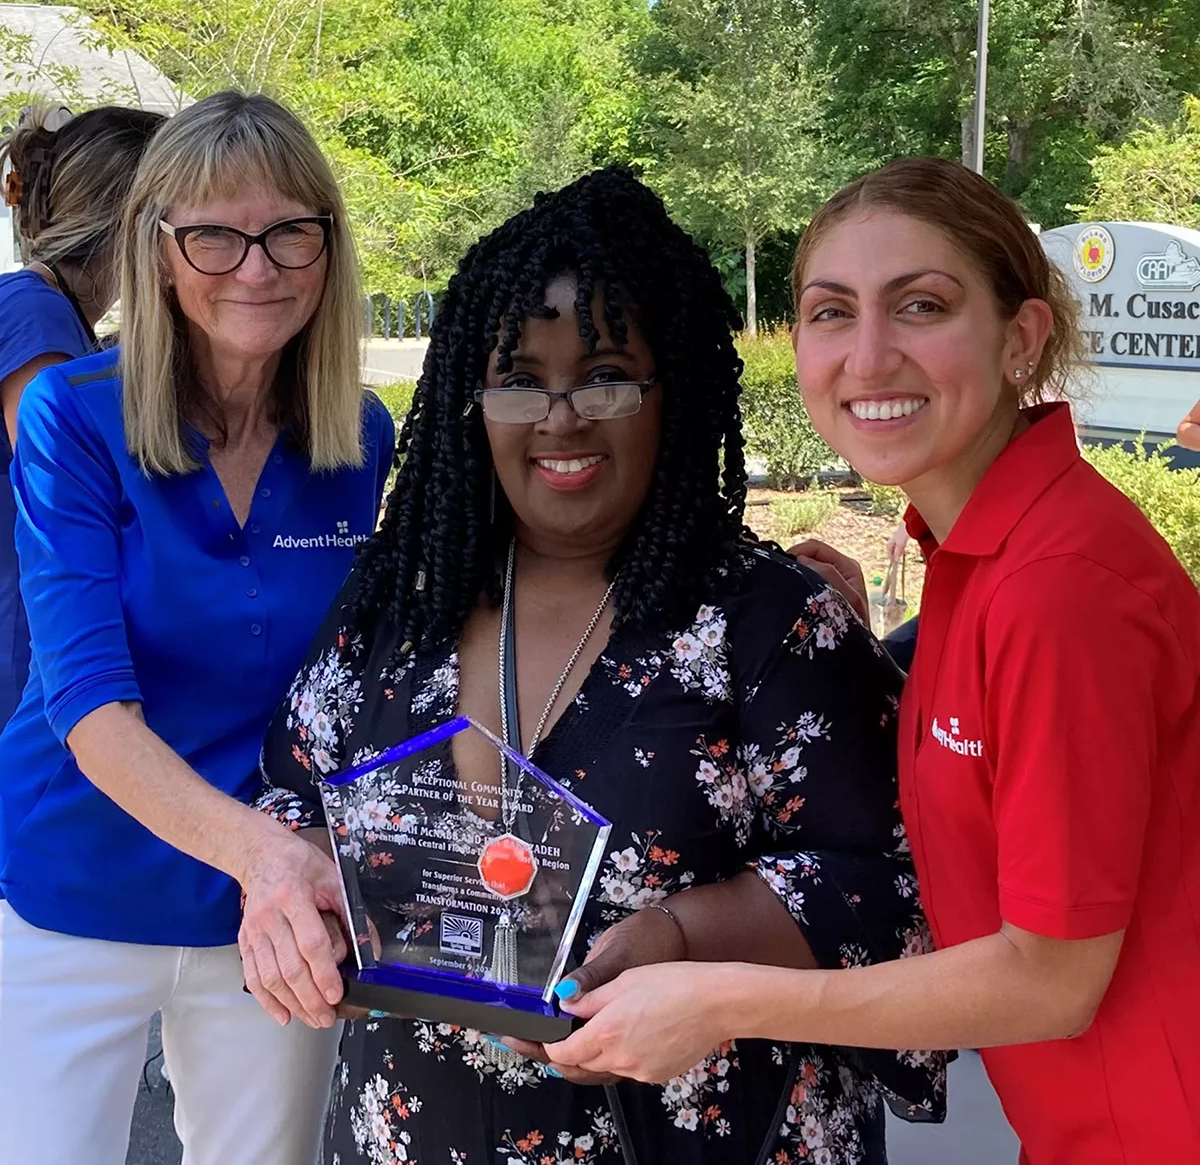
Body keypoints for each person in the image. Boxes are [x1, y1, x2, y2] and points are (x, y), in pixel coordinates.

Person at [246, 166, 944, 1165]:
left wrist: (682, 933)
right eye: (520, 378)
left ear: (674, 389)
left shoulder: (773, 626)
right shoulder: (399, 601)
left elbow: (892, 884)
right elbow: (292, 786)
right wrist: (287, 893)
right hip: (417, 1124)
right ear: (470, 398)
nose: (561, 414)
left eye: (607, 373)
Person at [539, 157, 1200, 1165]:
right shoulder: (989, 551)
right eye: (832, 311)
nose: (870, 354)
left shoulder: (1059, 585)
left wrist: (721, 998)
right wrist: (882, 670)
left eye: (921, 304)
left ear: (1021, 337)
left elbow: (1052, 978)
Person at [0, 90, 395, 1165]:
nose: (256, 266)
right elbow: (85, 701)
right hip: (74, 884)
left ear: (328, 248)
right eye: (215, 233)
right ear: (158, 249)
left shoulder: (359, 436)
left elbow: (368, 674)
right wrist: (272, 858)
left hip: (263, 908)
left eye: (288, 232)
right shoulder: (70, 415)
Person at [0, 101, 164, 724]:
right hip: (24, 646)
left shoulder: (52, 313)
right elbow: (61, 492)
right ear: (134, 221)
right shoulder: (34, 316)